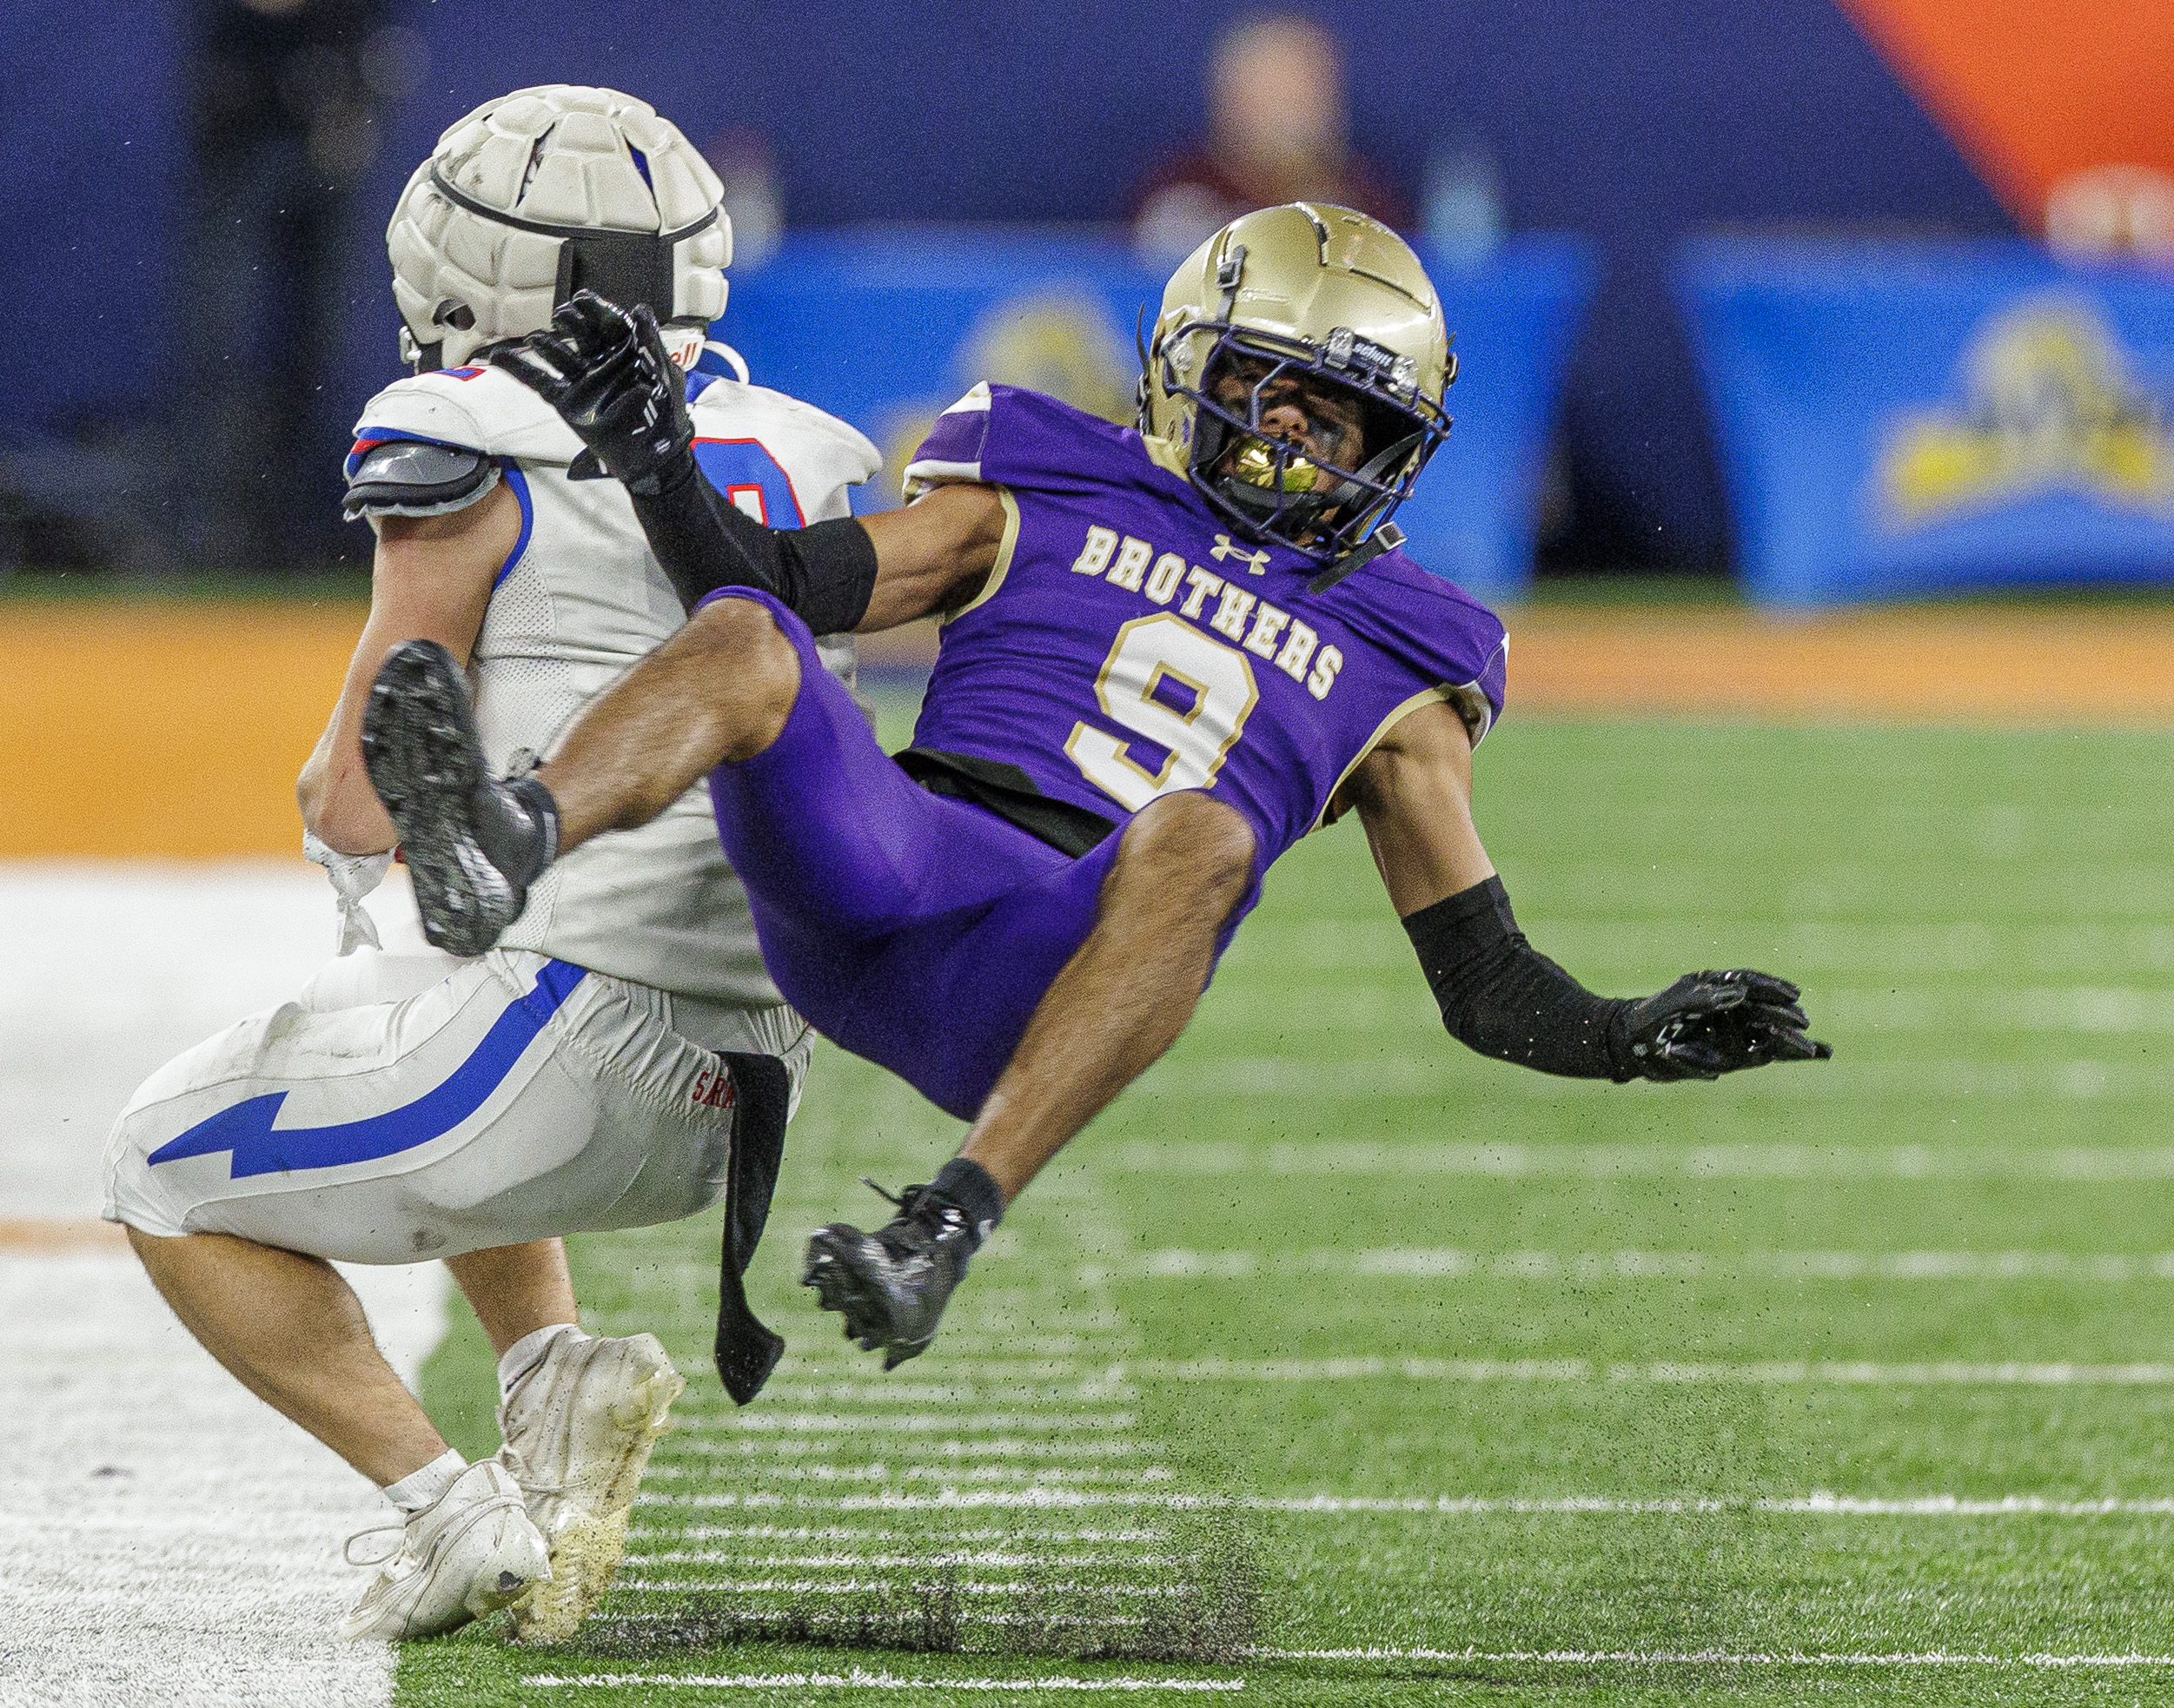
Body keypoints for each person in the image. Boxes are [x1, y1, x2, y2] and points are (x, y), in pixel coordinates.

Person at [361, 202, 1830, 1380]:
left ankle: (945, 1225)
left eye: (1344, 427)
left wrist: (1626, 1034)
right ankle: (502, 838)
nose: (1300, 444)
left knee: (1200, 828)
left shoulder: (1410, 653)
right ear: (1189, 366)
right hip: (880, 860)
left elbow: (1480, 978)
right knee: (749, 644)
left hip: (1032, 978)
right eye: (1276, 395)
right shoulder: (1046, 474)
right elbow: (768, 588)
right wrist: (660, 465)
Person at [102, 85, 878, 1645]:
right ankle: (556, 1374)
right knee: (427, 970)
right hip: (757, 1066)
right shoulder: (790, 451)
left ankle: (444, 1510)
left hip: (569, 1060)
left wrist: (328, 786)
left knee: (155, 1170)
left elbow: (361, 806)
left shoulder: (461, 443)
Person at [1129, 14, 1411, 264]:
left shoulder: (1363, 196)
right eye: (1274, 95)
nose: (1292, 116)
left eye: (1305, 94)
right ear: (1231, 101)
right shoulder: (1182, 189)